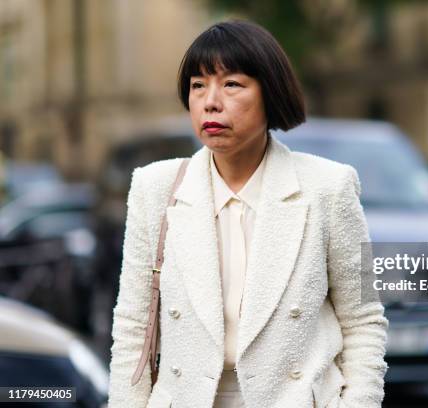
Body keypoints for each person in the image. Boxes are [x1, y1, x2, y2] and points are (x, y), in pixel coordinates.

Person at [108, 19, 388, 408]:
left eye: (232, 84)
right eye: (198, 85)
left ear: (270, 93)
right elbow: (133, 328)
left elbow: (363, 321)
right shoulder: (155, 188)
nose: (210, 101)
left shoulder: (328, 187)